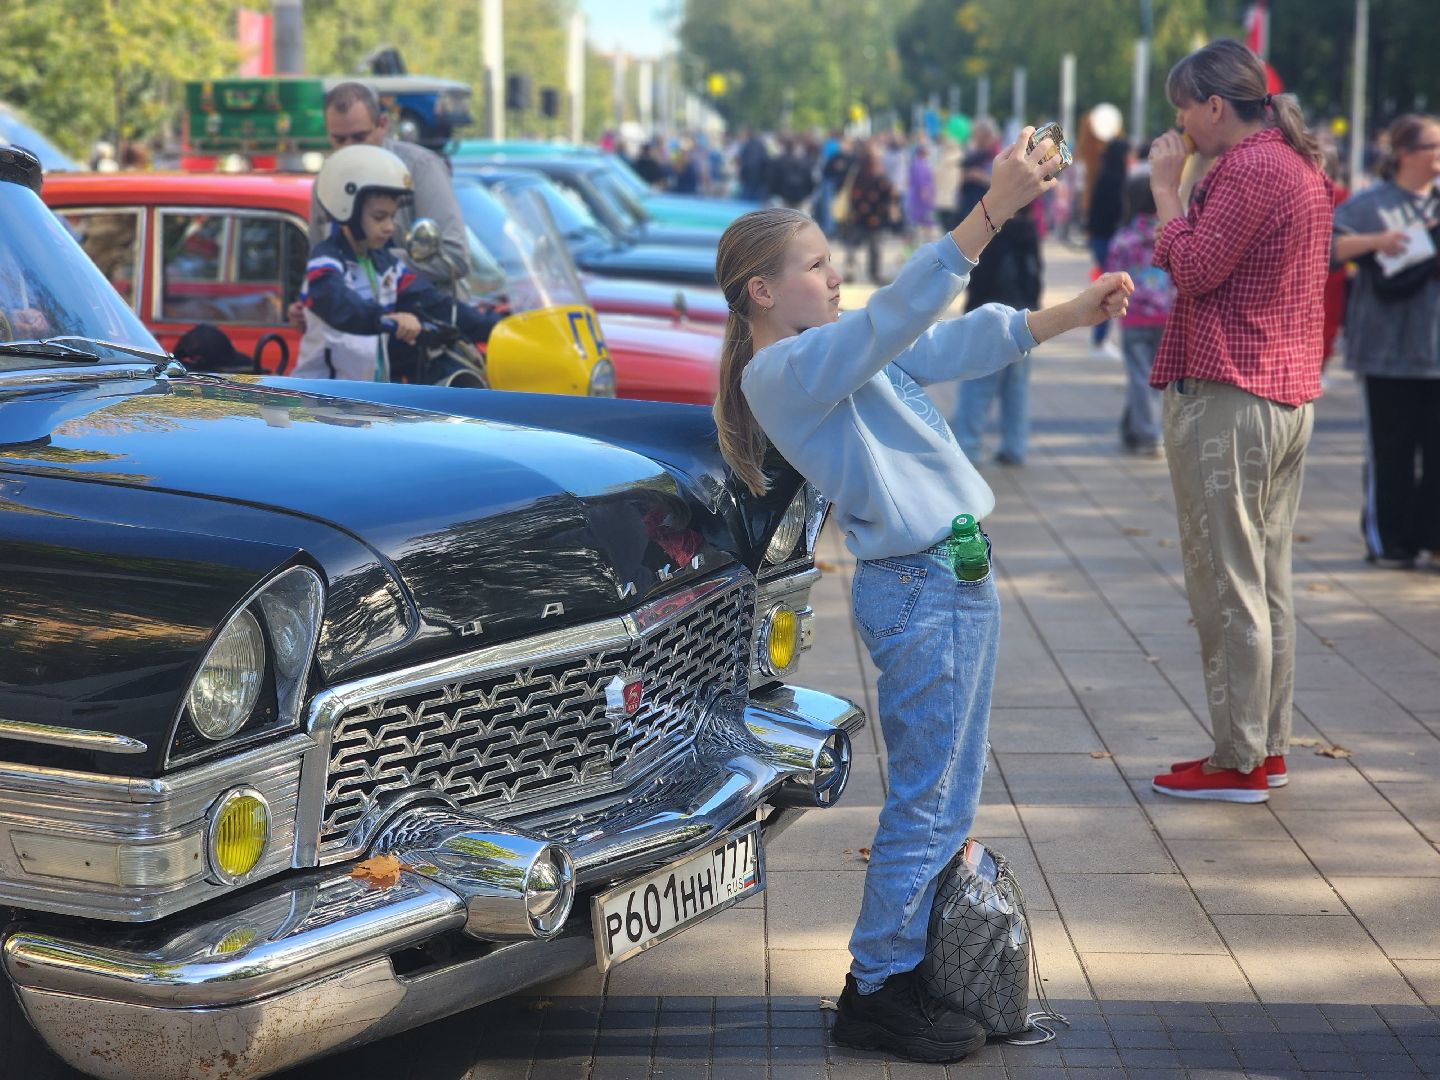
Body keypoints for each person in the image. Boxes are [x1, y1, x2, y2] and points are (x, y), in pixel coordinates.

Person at [712, 127, 1132, 1063]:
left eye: (829, 263)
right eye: (815, 266)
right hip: (919, 589)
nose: (832, 278)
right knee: (930, 798)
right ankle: (878, 987)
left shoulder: (832, 351)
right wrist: (991, 211)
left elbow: (942, 342)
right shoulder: (781, 371)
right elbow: (895, 320)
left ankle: (904, 970)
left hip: (948, 577)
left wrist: (1067, 312)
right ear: (762, 292)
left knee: (947, 793)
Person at [1146, 39, 1333, 803]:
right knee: (1267, 577)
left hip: (1232, 393)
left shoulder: (1248, 167)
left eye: (1183, 107)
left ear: (1215, 105)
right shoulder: (1298, 164)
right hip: (1284, 391)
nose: (1180, 123)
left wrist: (1166, 190)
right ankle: (1267, 745)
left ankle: (1239, 758)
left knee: (1227, 579)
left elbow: (1194, 268)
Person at [1331, 113, 1440, 569]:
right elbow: (1324, 246)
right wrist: (1378, 241)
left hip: (1436, 352)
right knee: (1391, 453)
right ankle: (1390, 541)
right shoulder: (1370, 203)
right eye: (1433, 146)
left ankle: (1433, 540)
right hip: (1386, 353)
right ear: (1405, 153)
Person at [294, 145, 495, 382]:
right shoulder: (326, 263)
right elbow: (341, 306)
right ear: (347, 210)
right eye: (379, 217)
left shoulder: (386, 266)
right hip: (320, 400)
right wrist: (388, 320)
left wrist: (493, 326)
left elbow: (430, 301)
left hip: (365, 398)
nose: (389, 227)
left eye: (392, 216)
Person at [950, 199, 1043, 466]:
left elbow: (978, 275)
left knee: (977, 382)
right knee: (1016, 385)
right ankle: (1015, 445)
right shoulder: (1028, 230)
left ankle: (968, 447)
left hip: (987, 313)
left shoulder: (989, 230)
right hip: (1022, 313)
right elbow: (1036, 275)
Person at [1104, 170, 1174, 456]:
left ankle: (1147, 433)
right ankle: (1132, 429)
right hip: (1166, 312)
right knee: (1152, 376)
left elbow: (1110, 272)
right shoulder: (1168, 234)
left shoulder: (1125, 238)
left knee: (1138, 374)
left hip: (1133, 314)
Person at [1087, 137, 1130, 359]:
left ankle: (1101, 338)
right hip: (1107, 239)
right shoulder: (1114, 179)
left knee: (1109, 287)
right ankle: (1099, 339)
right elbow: (1115, 212)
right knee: (1110, 288)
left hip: (1101, 238)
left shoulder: (1106, 176)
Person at [844, 143, 896, 284]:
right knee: (870, 247)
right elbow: (889, 195)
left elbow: (853, 194)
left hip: (863, 216)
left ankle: (855, 272)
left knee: (858, 246)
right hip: (872, 217)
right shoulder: (877, 175)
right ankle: (870, 273)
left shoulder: (860, 173)